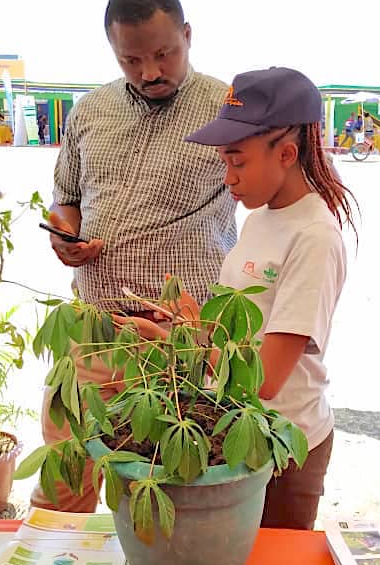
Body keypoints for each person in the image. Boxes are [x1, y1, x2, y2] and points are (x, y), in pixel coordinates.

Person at [31, 0, 236, 512]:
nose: (150, 73)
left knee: (161, 499)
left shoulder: (229, 110)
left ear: (188, 35)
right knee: (62, 487)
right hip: (92, 332)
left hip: (178, 342)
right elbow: (66, 197)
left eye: (164, 54)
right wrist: (66, 235)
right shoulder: (90, 111)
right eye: (132, 60)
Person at [121, 67, 357, 530]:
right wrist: (184, 320)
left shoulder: (314, 236)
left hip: (286, 445)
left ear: (286, 153)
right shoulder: (260, 217)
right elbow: (238, 338)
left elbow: (265, 379)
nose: (228, 178)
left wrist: (183, 342)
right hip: (236, 428)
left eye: (238, 161)